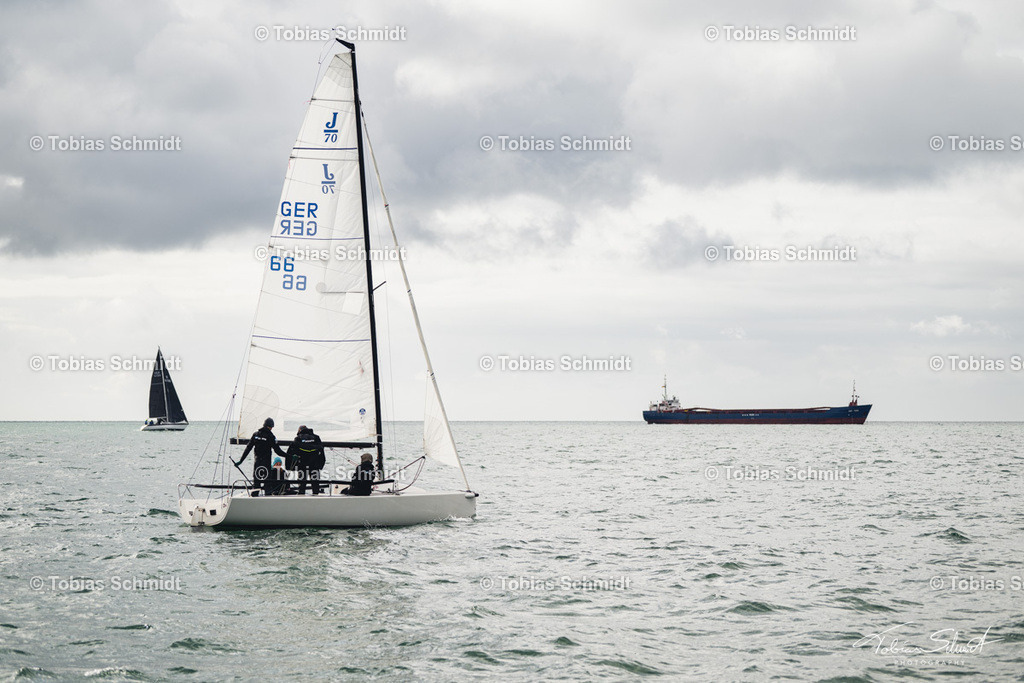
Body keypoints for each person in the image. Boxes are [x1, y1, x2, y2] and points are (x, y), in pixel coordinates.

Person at [234, 417, 289, 496]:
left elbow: (248, 448)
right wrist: (289, 456)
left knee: (256, 486)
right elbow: (278, 451)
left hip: (257, 464)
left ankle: (253, 502)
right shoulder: (271, 436)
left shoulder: (255, 434)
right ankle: (268, 503)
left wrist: (241, 461)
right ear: (271, 427)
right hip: (266, 465)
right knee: (267, 487)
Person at [288, 425, 326, 495]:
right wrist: (321, 464)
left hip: (302, 465)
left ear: (299, 430)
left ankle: (301, 499)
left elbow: (292, 452)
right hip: (315, 465)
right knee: (315, 485)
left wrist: (289, 467)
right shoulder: (316, 438)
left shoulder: (297, 439)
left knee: (301, 486)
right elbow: (321, 450)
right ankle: (316, 498)